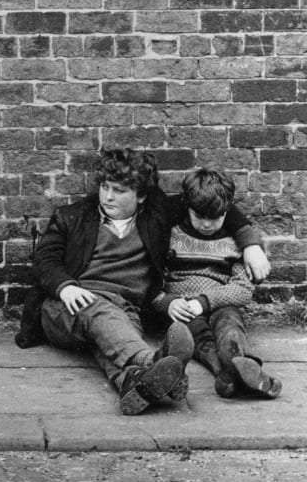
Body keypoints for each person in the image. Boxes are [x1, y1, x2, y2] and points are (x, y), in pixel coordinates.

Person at [15, 148, 270, 416]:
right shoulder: (73, 215)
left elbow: (209, 206)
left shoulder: (155, 213)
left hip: (126, 311)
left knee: (109, 343)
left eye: (119, 190)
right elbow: (44, 259)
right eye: (104, 187)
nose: (108, 196)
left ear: (141, 196)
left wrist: (250, 243)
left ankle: (135, 383)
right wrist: (64, 287)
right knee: (102, 316)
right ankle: (155, 361)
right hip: (70, 305)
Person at [151, 167, 282, 400]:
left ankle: (238, 369)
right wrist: (168, 302)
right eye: (199, 216)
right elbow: (154, 279)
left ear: (227, 210)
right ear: (187, 207)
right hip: (183, 306)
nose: (208, 224)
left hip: (221, 300)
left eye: (216, 217)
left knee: (230, 325)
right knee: (198, 336)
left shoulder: (234, 240)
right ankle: (234, 374)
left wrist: (205, 301)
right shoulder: (170, 234)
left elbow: (242, 288)